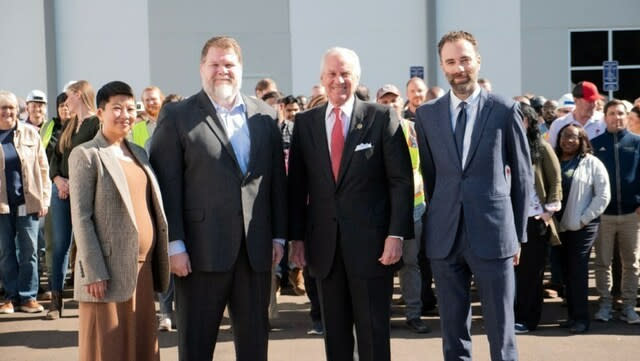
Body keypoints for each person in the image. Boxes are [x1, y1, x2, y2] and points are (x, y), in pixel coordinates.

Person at [149, 36, 287, 361]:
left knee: (254, 348)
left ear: (241, 69)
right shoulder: (177, 115)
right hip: (199, 255)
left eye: (229, 64)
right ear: (201, 68)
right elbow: (166, 187)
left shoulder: (265, 115)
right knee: (197, 348)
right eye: (215, 64)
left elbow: (275, 181)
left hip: (254, 254)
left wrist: (279, 235)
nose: (221, 71)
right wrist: (174, 245)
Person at [288, 47, 413, 361]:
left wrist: (396, 235)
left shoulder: (381, 117)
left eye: (345, 74)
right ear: (321, 78)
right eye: (331, 74)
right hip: (324, 250)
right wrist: (297, 238)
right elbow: (297, 187)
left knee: (373, 336)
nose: (338, 80)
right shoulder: (305, 123)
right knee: (336, 339)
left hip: (373, 249)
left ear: (357, 78)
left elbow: (401, 182)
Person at [414, 30, 532, 361]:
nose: (459, 68)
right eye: (450, 62)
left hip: (494, 236)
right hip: (445, 236)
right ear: (442, 65)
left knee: (501, 331)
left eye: (464, 60)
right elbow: (430, 174)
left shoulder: (505, 110)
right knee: (453, 332)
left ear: (478, 61)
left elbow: (522, 177)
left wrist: (518, 235)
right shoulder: (427, 115)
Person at [69, 81, 169, 361]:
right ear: (99, 112)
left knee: (141, 347)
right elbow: (81, 216)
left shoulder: (140, 153)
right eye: (116, 108)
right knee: (108, 348)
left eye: (129, 108)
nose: (125, 114)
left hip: (143, 270)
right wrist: (94, 270)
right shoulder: (86, 154)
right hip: (106, 274)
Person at [376, 84, 431, 333]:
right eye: (384, 100)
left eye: (394, 100)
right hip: (380, 214)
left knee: (411, 264)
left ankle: (413, 314)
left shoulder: (413, 130)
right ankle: (382, 314)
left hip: (413, 210)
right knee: (382, 266)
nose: (390, 105)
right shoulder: (370, 130)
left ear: (402, 102)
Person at [47, 80, 100, 320]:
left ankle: (86, 298)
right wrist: (58, 180)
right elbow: (55, 157)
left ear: (79, 95)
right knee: (60, 246)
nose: (65, 101)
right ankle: (55, 302)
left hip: (85, 193)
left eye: (68, 96)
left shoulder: (96, 123)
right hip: (62, 193)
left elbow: (94, 159)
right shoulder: (68, 125)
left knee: (86, 245)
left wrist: (73, 185)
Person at [554, 124, 610, 333]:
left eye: (573, 137)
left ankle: (581, 319)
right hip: (557, 227)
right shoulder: (555, 160)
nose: (568, 140)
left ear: (582, 140)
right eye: (564, 136)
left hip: (582, 227)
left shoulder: (592, 163)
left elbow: (603, 196)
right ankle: (571, 317)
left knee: (577, 272)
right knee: (565, 272)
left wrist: (584, 219)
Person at [0, 90, 51, 314]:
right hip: (2, 206)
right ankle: (10, 297)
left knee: (30, 251)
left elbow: (43, 168)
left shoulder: (30, 133)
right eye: (2, 107)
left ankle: (28, 297)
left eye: (11, 107)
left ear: (17, 110)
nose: (7, 112)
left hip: (28, 203)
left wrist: (45, 199)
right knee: (6, 252)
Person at [513, 103, 562, 334]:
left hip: (535, 221)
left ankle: (528, 319)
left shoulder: (541, 147)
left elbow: (556, 180)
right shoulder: (506, 146)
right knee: (511, 272)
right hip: (510, 221)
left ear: (530, 122)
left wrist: (548, 212)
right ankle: (512, 317)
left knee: (531, 274)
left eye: (521, 118)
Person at [591, 99, 640, 324]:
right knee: (602, 262)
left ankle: (629, 305)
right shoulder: (594, 144)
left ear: (627, 116)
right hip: (604, 215)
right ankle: (605, 305)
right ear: (605, 117)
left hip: (632, 214)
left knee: (632, 262)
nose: (617, 117)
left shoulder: (637, 142)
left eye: (621, 113)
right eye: (612, 113)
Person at [547, 81, 606, 147]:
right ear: (576, 100)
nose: (593, 105)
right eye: (589, 101)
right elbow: (552, 153)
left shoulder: (604, 121)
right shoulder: (558, 124)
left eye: (595, 101)